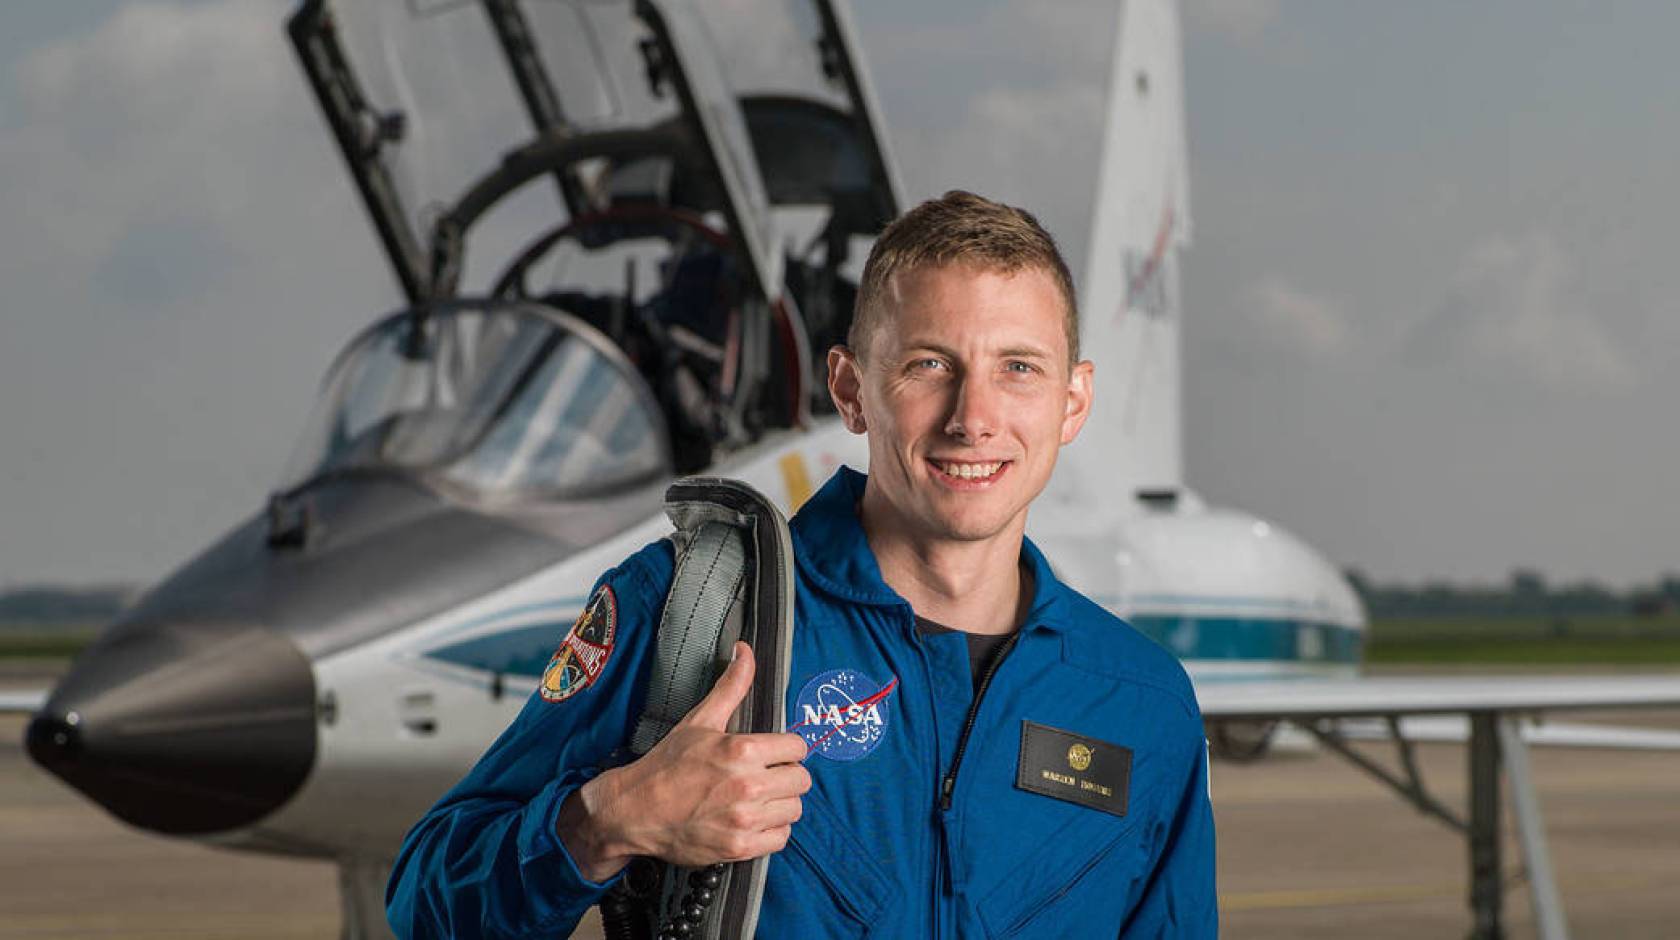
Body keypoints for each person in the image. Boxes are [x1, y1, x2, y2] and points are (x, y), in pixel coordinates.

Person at [385, 190, 1218, 937]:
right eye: (930, 365)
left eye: (1019, 369)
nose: (975, 417)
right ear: (851, 389)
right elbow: (427, 903)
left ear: (1073, 402)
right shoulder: (690, 611)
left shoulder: (1141, 702)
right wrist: (606, 822)